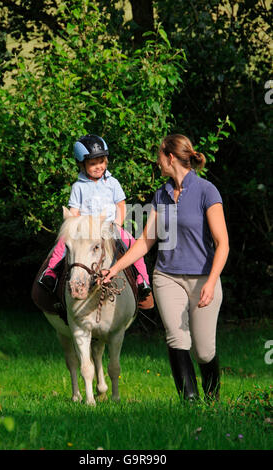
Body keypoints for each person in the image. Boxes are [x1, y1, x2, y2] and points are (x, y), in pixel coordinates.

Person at [103, 134, 229, 401]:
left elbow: (223, 243)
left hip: (204, 279)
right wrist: (114, 268)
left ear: (170, 157)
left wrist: (211, 281)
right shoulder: (161, 194)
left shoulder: (207, 191)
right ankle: (190, 403)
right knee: (177, 339)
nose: (157, 162)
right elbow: (146, 241)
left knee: (205, 350)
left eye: (159, 156)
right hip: (167, 277)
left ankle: (212, 401)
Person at [39, 134, 154, 310]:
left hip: (108, 226)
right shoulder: (78, 186)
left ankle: (142, 280)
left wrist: (116, 223)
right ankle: (52, 273)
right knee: (62, 244)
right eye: (93, 163)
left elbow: (121, 205)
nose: (98, 166)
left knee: (133, 243)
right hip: (85, 230)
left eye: (101, 161)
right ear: (82, 164)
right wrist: (74, 226)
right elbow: (74, 211)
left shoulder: (113, 183)